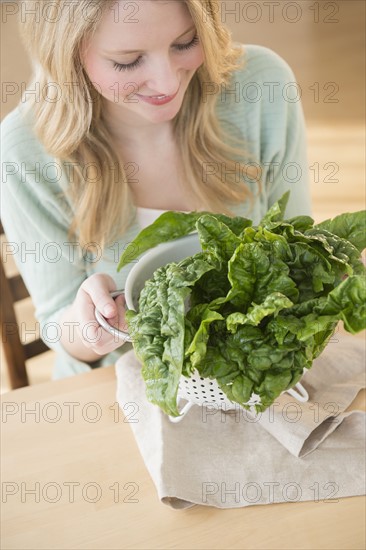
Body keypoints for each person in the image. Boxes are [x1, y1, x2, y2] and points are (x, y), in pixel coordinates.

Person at [1, 0, 312, 379]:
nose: (167, 82)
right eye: (128, 61)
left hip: (259, 375)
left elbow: (300, 247)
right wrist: (89, 326)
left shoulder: (262, 87)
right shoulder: (25, 149)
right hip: (119, 393)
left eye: (186, 42)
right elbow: (60, 327)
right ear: (65, 54)